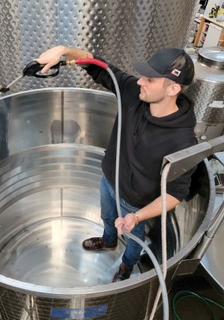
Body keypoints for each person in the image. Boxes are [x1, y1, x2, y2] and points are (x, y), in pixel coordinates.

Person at [36, 45, 197, 282]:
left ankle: (126, 266)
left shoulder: (183, 141)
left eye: (150, 79)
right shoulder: (134, 93)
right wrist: (62, 50)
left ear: (172, 88)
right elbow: (97, 65)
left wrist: (138, 217)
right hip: (108, 182)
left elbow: (175, 194)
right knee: (107, 216)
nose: (140, 81)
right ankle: (109, 241)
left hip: (135, 205)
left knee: (134, 240)